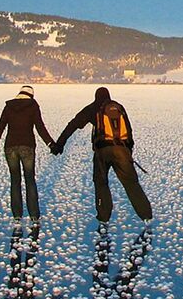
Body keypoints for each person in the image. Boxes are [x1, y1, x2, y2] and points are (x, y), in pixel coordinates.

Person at [52, 87, 153, 223]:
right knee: (131, 183)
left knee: (101, 183)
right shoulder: (119, 108)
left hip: (102, 152)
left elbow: (73, 124)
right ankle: (146, 215)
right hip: (122, 150)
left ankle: (103, 217)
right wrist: (128, 152)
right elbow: (128, 131)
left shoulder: (93, 108)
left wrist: (59, 144)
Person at [0, 85, 57, 221]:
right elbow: (40, 127)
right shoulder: (32, 106)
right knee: (29, 180)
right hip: (27, 147)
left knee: (15, 181)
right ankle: (34, 215)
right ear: (31, 95)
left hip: (10, 148)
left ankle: (17, 215)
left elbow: (0, 126)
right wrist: (50, 144)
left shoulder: (9, 106)